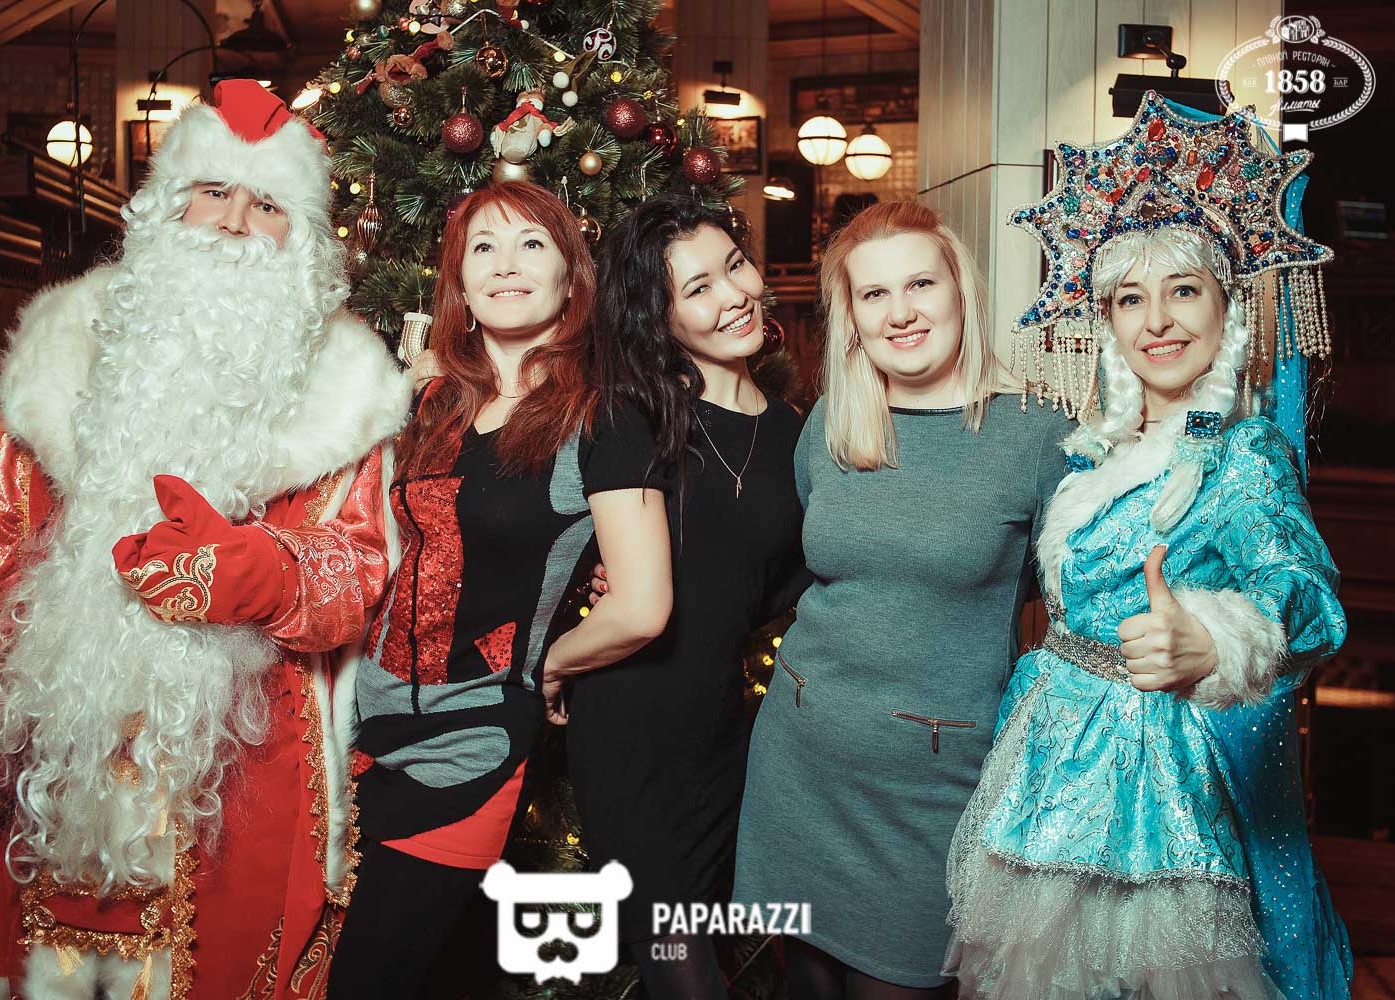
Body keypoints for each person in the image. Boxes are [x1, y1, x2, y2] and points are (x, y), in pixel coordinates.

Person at [0, 81, 409, 998]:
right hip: (62, 752)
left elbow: (358, 572)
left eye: (267, 204)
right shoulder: (64, 353)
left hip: (245, 772)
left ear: (302, 240)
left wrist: (260, 573)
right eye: (213, 192)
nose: (233, 223)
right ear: (166, 205)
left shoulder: (346, 387)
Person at [944, 92, 1352, 1000]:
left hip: (1151, 793)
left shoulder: (1245, 455)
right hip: (1049, 767)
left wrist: (1216, 638)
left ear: (1225, 309)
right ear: (1109, 321)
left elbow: (1311, 599)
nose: (1157, 320)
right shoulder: (1096, 452)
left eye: (1183, 290)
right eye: (1131, 298)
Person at [327, 181, 674, 997]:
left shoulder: (603, 415)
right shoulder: (430, 403)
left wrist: (548, 667)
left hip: (468, 747)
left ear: (570, 276)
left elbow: (643, 603)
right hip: (359, 730)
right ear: (459, 281)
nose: (505, 265)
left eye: (531, 244)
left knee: (367, 982)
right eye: (483, 247)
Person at [732, 200, 1073, 999]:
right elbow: (806, 563)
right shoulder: (832, 422)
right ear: (851, 317)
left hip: (934, 788)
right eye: (874, 294)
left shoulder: (1037, 434)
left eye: (920, 283)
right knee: (804, 985)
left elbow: (1072, 608)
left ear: (960, 288)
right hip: (800, 764)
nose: (901, 312)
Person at [567, 195, 808, 999]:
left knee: (712, 949)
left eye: (735, 266)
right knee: (683, 970)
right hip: (631, 730)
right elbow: (634, 601)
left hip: (727, 733)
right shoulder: (632, 416)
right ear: (661, 318)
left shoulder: (795, 432)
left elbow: (776, 587)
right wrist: (552, 663)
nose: (734, 295)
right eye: (698, 288)